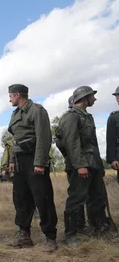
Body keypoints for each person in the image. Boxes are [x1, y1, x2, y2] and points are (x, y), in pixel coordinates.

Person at [7, 84, 58, 252]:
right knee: (21, 198)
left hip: (34, 159)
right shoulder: (15, 114)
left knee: (42, 197)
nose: (9, 99)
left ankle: (50, 238)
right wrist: (13, 160)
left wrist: (40, 162)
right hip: (21, 160)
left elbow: (43, 137)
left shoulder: (37, 110)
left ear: (17, 95)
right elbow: (16, 140)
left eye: (10, 96)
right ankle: (24, 235)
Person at [58, 86, 107, 247]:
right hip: (81, 166)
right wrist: (80, 165)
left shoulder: (88, 117)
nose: (94, 99)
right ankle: (71, 235)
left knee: (97, 198)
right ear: (85, 97)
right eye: (92, 96)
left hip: (93, 165)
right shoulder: (71, 116)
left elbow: (93, 144)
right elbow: (71, 142)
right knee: (76, 199)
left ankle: (98, 228)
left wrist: (99, 166)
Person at [106, 86, 119, 172]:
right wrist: (112, 159)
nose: (118, 98)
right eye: (116, 97)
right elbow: (110, 140)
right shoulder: (114, 117)